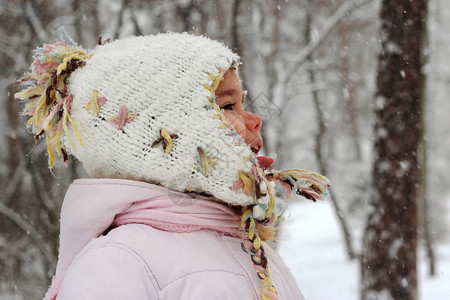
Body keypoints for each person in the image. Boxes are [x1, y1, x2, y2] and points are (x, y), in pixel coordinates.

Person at [16, 32, 330, 300]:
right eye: (228, 105)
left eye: (242, 102)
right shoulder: (119, 263)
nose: (254, 119)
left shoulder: (251, 248)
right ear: (168, 137)